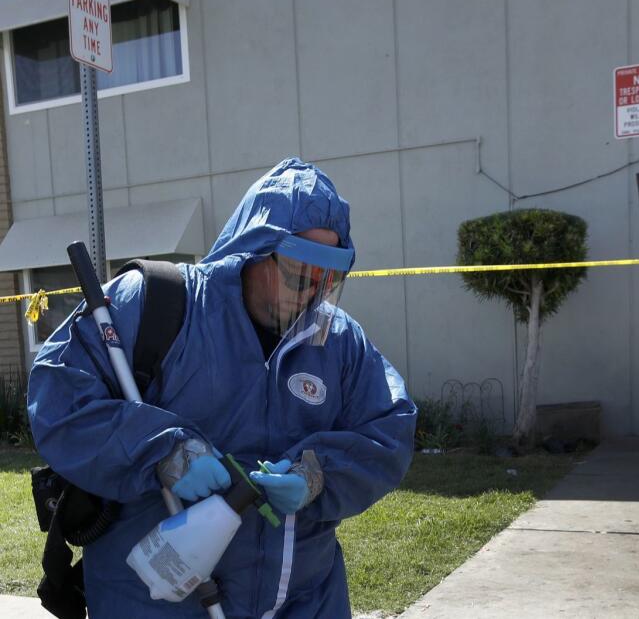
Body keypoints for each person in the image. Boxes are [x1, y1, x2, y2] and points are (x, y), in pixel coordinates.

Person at [26, 158, 417, 618]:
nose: (312, 291)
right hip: (156, 599)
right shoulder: (157, 304)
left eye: (327, 277)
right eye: (299, 271)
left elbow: (390, 431)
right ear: (255, 248)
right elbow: (58, 398)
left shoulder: (340, 342)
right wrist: (163, 453)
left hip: (304, 599)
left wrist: (319, 473)